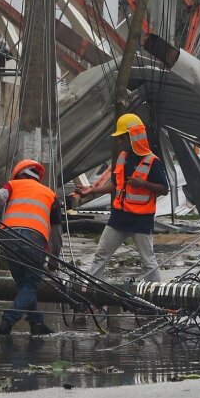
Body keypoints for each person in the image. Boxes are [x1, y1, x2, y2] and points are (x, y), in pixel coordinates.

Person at [73, 113, 169, 283]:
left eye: (122, 138)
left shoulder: (153, 162)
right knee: (101, 255)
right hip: (119, 218)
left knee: (148, 262)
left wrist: (143, 184)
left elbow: (164, 189)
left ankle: (157, 295)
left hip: (141, 220)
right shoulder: (123, 158)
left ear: (133, 137)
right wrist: (92, 191)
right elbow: (117, 186)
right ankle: (91, 292)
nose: (120, 142)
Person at [0, 159, 60, 336]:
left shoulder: (13, 185)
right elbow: (56, 232)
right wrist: (54, 259)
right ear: (38, 178)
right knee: (32, 284)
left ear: (19, 174)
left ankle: (36, 323)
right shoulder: (50, 195)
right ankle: (8, 320)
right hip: (34, 240)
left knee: (23, 284)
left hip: (8, 237)